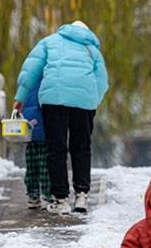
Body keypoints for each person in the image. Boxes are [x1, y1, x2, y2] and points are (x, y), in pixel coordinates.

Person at [13, 21, 109, 215]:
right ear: (87, 32)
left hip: (53, 99)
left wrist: (20, 98)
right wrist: (93, 100)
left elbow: (31, 69)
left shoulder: (49, 42)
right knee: (81, 147)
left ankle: (61, 199)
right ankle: (82, 195)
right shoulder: (92, 50)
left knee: (56, 148)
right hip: (84, 102)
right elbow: (102, 80)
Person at [21, 84, 51, 209]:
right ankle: (46, 194)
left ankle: (33, 194)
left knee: (32, 165)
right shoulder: (48, 80)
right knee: (44, 165)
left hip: (29, 129)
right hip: (44, 130)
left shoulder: (25, 83)